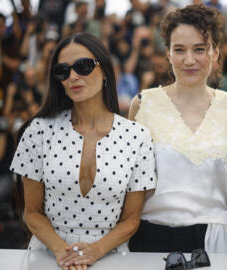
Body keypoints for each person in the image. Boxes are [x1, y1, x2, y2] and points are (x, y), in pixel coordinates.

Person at [9, 33, 156, 269]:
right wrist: (64, 253)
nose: (73, 76)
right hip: (47, 256)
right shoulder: (38, 131)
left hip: (111, 258)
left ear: (105, 70)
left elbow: (131, 220)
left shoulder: (137, 136)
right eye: (62, 71)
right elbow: (32, 213)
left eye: (83, 66)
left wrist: (95, 251)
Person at [128, 4, 227, 253]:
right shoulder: (143, 104)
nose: (189, 60)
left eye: (200, 49)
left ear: (215, 53)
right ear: (168, 54)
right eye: (179, 49)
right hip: (150, 239)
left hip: (213, 243)